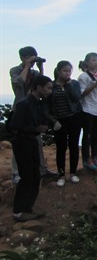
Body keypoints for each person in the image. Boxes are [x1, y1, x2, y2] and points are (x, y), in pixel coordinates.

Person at [8, 75, 53, 221]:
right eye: (48, 88)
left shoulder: (38, 103)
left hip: (32, 141)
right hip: (22, 142)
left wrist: (41, 126)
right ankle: (19, 211)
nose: (49, 91)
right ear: (39, 87)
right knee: (26, 176)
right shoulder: (24, 104)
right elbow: (14, 125)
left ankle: (27, 208)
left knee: (35, 175)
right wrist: (35, 128)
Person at [9, 46, 57, 181]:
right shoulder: (15, 70)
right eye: (31, 58)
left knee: (37, 140)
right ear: (23, 58)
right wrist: (27, 65)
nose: (34, 62)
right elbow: (19, 82)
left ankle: (42, 169)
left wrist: (40, 68)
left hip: (33, 109)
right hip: (20, 108)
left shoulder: (35, 73)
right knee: (18, 143)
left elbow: (41, 83)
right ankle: (16, 173)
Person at [49, 61, 83, 186]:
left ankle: (73, 173)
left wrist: (68, 86)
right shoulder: (52, 86)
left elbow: (76, 98)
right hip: (59, 120)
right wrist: (53, 121)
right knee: (61, 147)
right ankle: (61, 174)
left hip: (74, 118)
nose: (67, 73)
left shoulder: (74, 84)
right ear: (58, 71)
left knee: (74, 145)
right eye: (64, 71)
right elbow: (48, 105)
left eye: (69, 71)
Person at [78, 52, 97, 171]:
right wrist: (96, 83)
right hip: (88, 109)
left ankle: (96, 158)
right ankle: (87, 160)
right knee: (88, 136)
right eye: (93, 60)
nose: (96, 63)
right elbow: (82, 93)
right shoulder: (84, 77)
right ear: (87, 62)